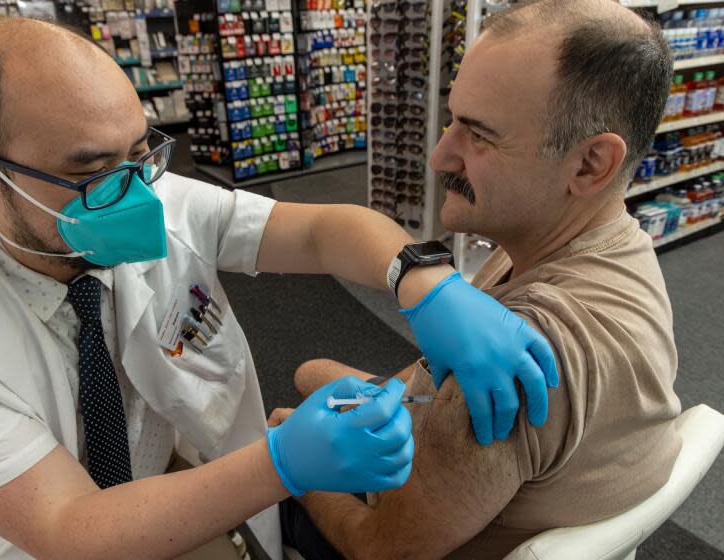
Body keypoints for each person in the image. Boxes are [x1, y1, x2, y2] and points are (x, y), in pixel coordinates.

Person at [0, 17, 559, 560]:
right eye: (94, 172)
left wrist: (425, 279)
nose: (143, 198)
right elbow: (71, 529)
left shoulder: (158, 198)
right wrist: (286, 463)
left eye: (141, 152)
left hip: (163, 478)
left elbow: (325, 230)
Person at [276, 1, 684, 558]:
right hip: (474, 477)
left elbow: (382, 551)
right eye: (452, 120)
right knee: (310, 373)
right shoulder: (612, 246)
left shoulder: (515, 364)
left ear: (591, 164)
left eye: (479, 135)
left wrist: (288, 462)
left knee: (267, 435)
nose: (440, 156)